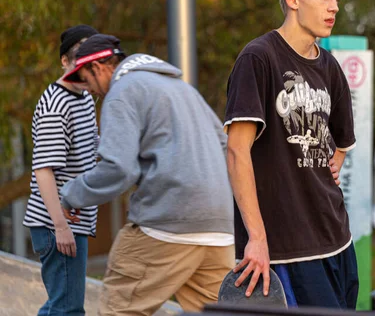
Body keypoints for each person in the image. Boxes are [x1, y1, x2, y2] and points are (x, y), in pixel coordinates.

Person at [59, 34, 234, 315]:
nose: (90, 91)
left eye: (86, 81)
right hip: (218, 228)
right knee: (214, 311)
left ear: (99, 67)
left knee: (120, 307)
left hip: (166, 221)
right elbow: (225, 146)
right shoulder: (182, 89)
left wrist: (70, 195)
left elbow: (118, 168)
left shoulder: (122, 92)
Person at [224, 0, 358, 308]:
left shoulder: (329, 67)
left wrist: (335, 163)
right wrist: (256, 237)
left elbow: (342, 140)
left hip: (337, 238)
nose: (334, 7)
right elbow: (237, 151)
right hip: (285, 248)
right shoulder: (258, 59)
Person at [23, 24, 99, 315]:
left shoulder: (83, 98)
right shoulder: (56, 105)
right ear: (64, 62)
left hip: (73, 221)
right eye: (78, 57)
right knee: (67, 309)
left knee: (61, 306)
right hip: (56, 223)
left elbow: (89, 146)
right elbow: (43, 169)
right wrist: (60, 226)